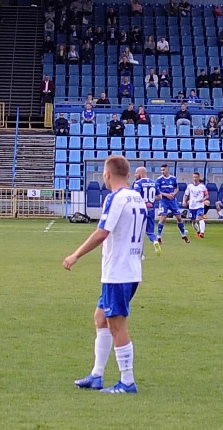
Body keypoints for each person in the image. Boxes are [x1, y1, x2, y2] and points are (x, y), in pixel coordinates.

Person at [63, 154, 145, 394]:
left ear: (107, 174)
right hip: (131, 269)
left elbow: (102, 232)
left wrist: (75, 255)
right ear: (128, 175)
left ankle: (127, 381)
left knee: (117, 325)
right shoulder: (137, 197)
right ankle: (97, 375)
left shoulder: (115, 198)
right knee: (101, 318)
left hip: (118, 272)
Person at [154, 164, 189, 245]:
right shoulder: (159, 179)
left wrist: (173, 194)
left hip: (172, 201)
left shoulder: (173, 178)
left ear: (167, 169)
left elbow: (177, 188)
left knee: (179, 218)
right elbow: (157, 191)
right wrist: (167, 195)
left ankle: (183, 234)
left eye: (163, 170)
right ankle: (158, 236)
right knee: (163, 217)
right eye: (161, 170)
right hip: (164, 201)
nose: (162, 171)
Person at [133, 167, 160, 255]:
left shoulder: (138, 183)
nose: (135, 175)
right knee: (150, 232)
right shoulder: (154, 183)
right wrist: (150, 200)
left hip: (141, 210)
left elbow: (136, 197)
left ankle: (141, 253)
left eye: (136, 173)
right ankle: (155, 241)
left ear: (140, 174)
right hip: (151, 209)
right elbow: (160, 197)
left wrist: (144, 201)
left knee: (138, 232)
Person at [183, 172, 209, 238]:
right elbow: (186, 195)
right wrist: (184, 201)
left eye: (196, 177)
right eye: (194, 177)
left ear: (199, 178)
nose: (195, 178)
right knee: (193, 221)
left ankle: (202, 232)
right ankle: (198, 232)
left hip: (200, 205)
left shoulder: (202, 186)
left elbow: (207, 195)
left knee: (200, 217)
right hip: (192, 206)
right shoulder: (190, 186)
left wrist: (203, 199)